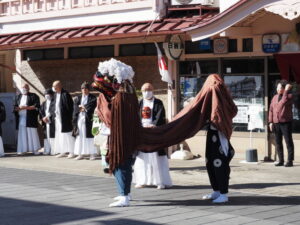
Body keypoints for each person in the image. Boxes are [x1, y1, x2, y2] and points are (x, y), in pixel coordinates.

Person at [202, 74, 237, 204]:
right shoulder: (213, 95)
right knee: (209, 162)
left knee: (220, 163)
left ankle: (224, 193)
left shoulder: (221, 95)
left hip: (220, 133)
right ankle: (216, 190)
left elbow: (231, 111)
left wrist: (221, 121)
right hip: (211, 133)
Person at [133, 83, 172, 189]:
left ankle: (159, 181)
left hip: (154, 132)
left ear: (153, 90)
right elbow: (135, 116)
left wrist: (153, 124)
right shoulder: (140, 103)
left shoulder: (158, 103)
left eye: (149, 89)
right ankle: (142, 180)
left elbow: (160, 116)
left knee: (156, 157)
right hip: (142, 133)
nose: (147, 92)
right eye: (144, 90)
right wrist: (140, 126)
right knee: (142, 157)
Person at [269, 80, 294, 167]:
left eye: (280, 88)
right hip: (276, 122)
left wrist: (287, 91)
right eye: (277, 87)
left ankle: (290, 161)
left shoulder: (289, 96)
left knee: (288, 142)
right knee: (278, 142)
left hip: (286, 122)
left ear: (284, 89)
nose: (278, 89)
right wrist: (270, 122)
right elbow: (271, 109)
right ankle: (281, 160)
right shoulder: (275, 97)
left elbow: (283, 102)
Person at [13, 84, 41, 155]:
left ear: (28, 88)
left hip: (31, 118)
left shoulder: (34, 96)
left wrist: (25, 107)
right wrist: (18, 108)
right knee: (22, 134)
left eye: (25, 88)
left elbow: (36, 106)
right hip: (21, 118)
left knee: (32, 133)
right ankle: (22, 149)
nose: (23, 89)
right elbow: (15, 107)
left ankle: (35, 150)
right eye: (22, 88)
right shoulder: (18, 97)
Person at [50, 80, 75, 158]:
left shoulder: (65, 94)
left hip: (65, 119)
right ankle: (62, 151)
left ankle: (72, 151)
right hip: (57, 119)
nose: (53, 88)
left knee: (68, 135)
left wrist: (71, 118)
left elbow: (70, 107)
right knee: (60, 135)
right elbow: (53, 106)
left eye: (55, 86)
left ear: (59, 86)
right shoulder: (54, 95)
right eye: (53, 86)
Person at [73, 81, 97, 160]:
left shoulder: (92, 97)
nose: (84, 90)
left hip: (88, 119)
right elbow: (75, 107)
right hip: (80, 119)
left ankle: (92, 154)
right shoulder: (78, 98)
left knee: (89, 136)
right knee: (80, 135)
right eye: (83, 88)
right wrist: (80, 108)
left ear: (88, 89)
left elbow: (92, 105)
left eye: (86, 88)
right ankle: (80, 154)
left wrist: (84, 108)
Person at [40, 88, 55, 155]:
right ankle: (47, 149)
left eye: (48, 94)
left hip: (52, 121)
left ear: (51, 94)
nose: (46, 95)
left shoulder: (54, 102)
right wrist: (43, 118)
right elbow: (41, 112)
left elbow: (53, 111)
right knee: (46, 136)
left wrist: (48, 117)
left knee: (53, 136)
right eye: (45, 94)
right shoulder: (44, 103)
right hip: (45, 122)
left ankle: (53, 150)